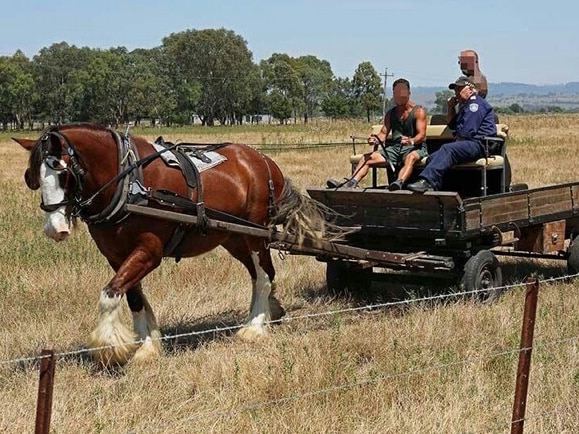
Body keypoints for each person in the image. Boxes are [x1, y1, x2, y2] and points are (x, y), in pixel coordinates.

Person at [326, 78, 427, 191]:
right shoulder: (390, 114)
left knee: (410, 157)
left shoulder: (418, 112)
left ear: (408, 93)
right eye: (396, 93)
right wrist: (376, 139)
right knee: (367, 158)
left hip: (415, 148)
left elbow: (421, 136)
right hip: (395, 149)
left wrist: (410, 141)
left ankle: (399, 182)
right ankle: (351, 183)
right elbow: (383, 133)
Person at [406, 76, 497, 193]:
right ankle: (437, 189)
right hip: (469, 143)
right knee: (432, 158)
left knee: (448, 149)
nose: (456, 93)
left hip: (480, 144)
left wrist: (456, 142)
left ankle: (426, 181)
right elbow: (451, 124)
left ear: (471, 89)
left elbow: (467, 132)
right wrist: (450, 107)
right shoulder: (465, 106)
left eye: (460, 89)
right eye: (455, 90)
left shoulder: (475, 104)